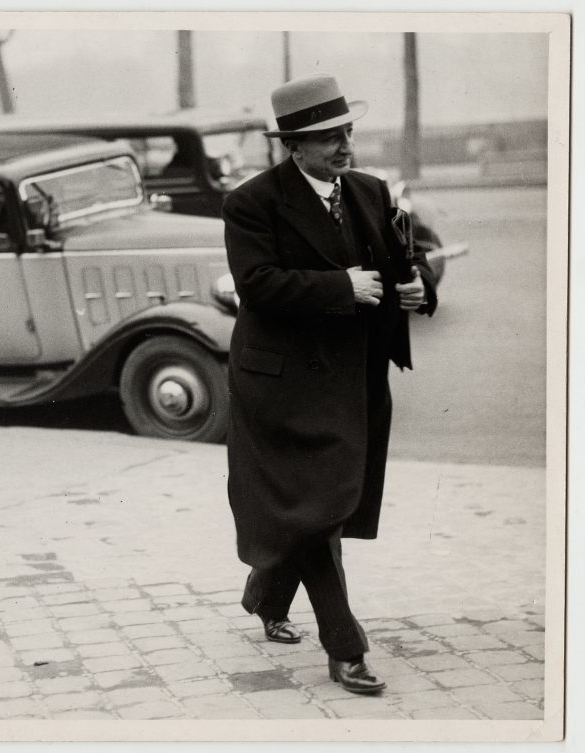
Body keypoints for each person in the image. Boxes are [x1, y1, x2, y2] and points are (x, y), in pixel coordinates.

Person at [222, 74, 437, 694]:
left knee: (323, 501)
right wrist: (340, 287)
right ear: (293, 145)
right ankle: (344, 648)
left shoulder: (370, 191)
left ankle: (266, 590)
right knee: (317, 511)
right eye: (328, 138)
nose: (345, 145)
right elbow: (257, 283)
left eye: (347, 131)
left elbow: (409, 255)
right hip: (283, 386)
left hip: (356, 379)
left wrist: (420, 285)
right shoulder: (252, 203)